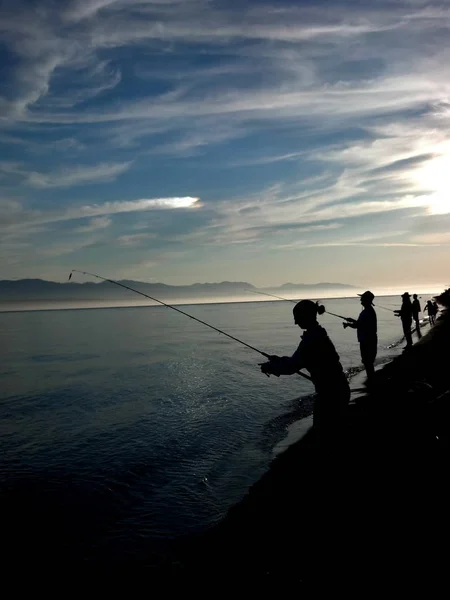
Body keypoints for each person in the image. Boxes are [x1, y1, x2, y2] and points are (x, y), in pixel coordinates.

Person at [259, 300, 350, 449]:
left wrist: (270, 367)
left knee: (325, 437)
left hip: (331, 395)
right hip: (338, 390)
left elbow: (292, 367)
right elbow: (298, 360)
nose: (295, 322)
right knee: (334, 434)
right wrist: (278, 360)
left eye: (297, 317)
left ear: (305, 317)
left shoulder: (311, 341)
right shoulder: (318, 335)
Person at [343, 290, 377, 381]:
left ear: (366, 300)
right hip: (369, 339)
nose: (360, 301)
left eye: (362, 299)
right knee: (368, 362)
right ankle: (371, 378)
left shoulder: (367, 312)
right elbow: (361, 324)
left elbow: (358, 325)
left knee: (367, 362)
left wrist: (348, 324)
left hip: (367, 340)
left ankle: (371, 380)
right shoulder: (368, 311)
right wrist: (351, 321)